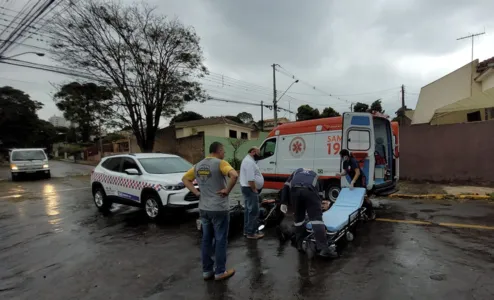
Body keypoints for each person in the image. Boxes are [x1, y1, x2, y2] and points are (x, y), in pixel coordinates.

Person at [182, 141, 239, 281]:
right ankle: (220, 272)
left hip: (204, 208)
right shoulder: (221, 163)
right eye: (223, 151)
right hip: (219, 208)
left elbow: (185, 179)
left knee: (206, 239)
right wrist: (227, 190)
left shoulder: (198, 165)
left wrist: (196, 193)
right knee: (220, 240)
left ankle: (207, 271)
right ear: (219, 151)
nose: (224, 154)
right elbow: (234, 175)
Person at [279, 168, 337, 258]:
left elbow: (286, 186)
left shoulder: (296, 172)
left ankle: (299, 245)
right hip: (310, 191)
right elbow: (320, 194)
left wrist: (283, 202)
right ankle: (323, 249)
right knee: (317, 221)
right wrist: (318, 207)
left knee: (299, 220)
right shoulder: (316, 176)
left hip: (295, 192)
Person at [337, 149, 376, 220]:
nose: (341, 158)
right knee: (356, 197)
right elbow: (345, 172)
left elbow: (357, 173)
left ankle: (371, 213)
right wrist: (340, 174)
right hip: (354, 180)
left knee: (364, 197)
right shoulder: (345, 162)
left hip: (360, 179)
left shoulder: (353, 161)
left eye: (341, 156)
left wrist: (353, 181)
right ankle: (361, 213)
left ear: (345, 156)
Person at [239, 146, 265, 239]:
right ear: (253, 152)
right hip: (250, 188)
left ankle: (247, 231)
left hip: (247, 188)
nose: (260, 155)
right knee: (253, 211)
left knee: (248, 211)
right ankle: (251, 233)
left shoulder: (248, 160)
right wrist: (254, 189)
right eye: (258, 152)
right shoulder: (249, 162)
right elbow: (250, 179)